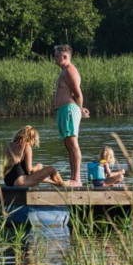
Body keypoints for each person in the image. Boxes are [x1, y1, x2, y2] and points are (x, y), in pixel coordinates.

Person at [53, 44, 91, 187]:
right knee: (68, 145)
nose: (54, 58)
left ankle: (77, 179)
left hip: (69, 110)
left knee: (73, 144)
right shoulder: (64, 72)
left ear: (65, 57)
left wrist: (79, 109)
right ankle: (73, 178)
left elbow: (78, 94)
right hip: (63, 110)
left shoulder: (70, 71)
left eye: (57, 55)